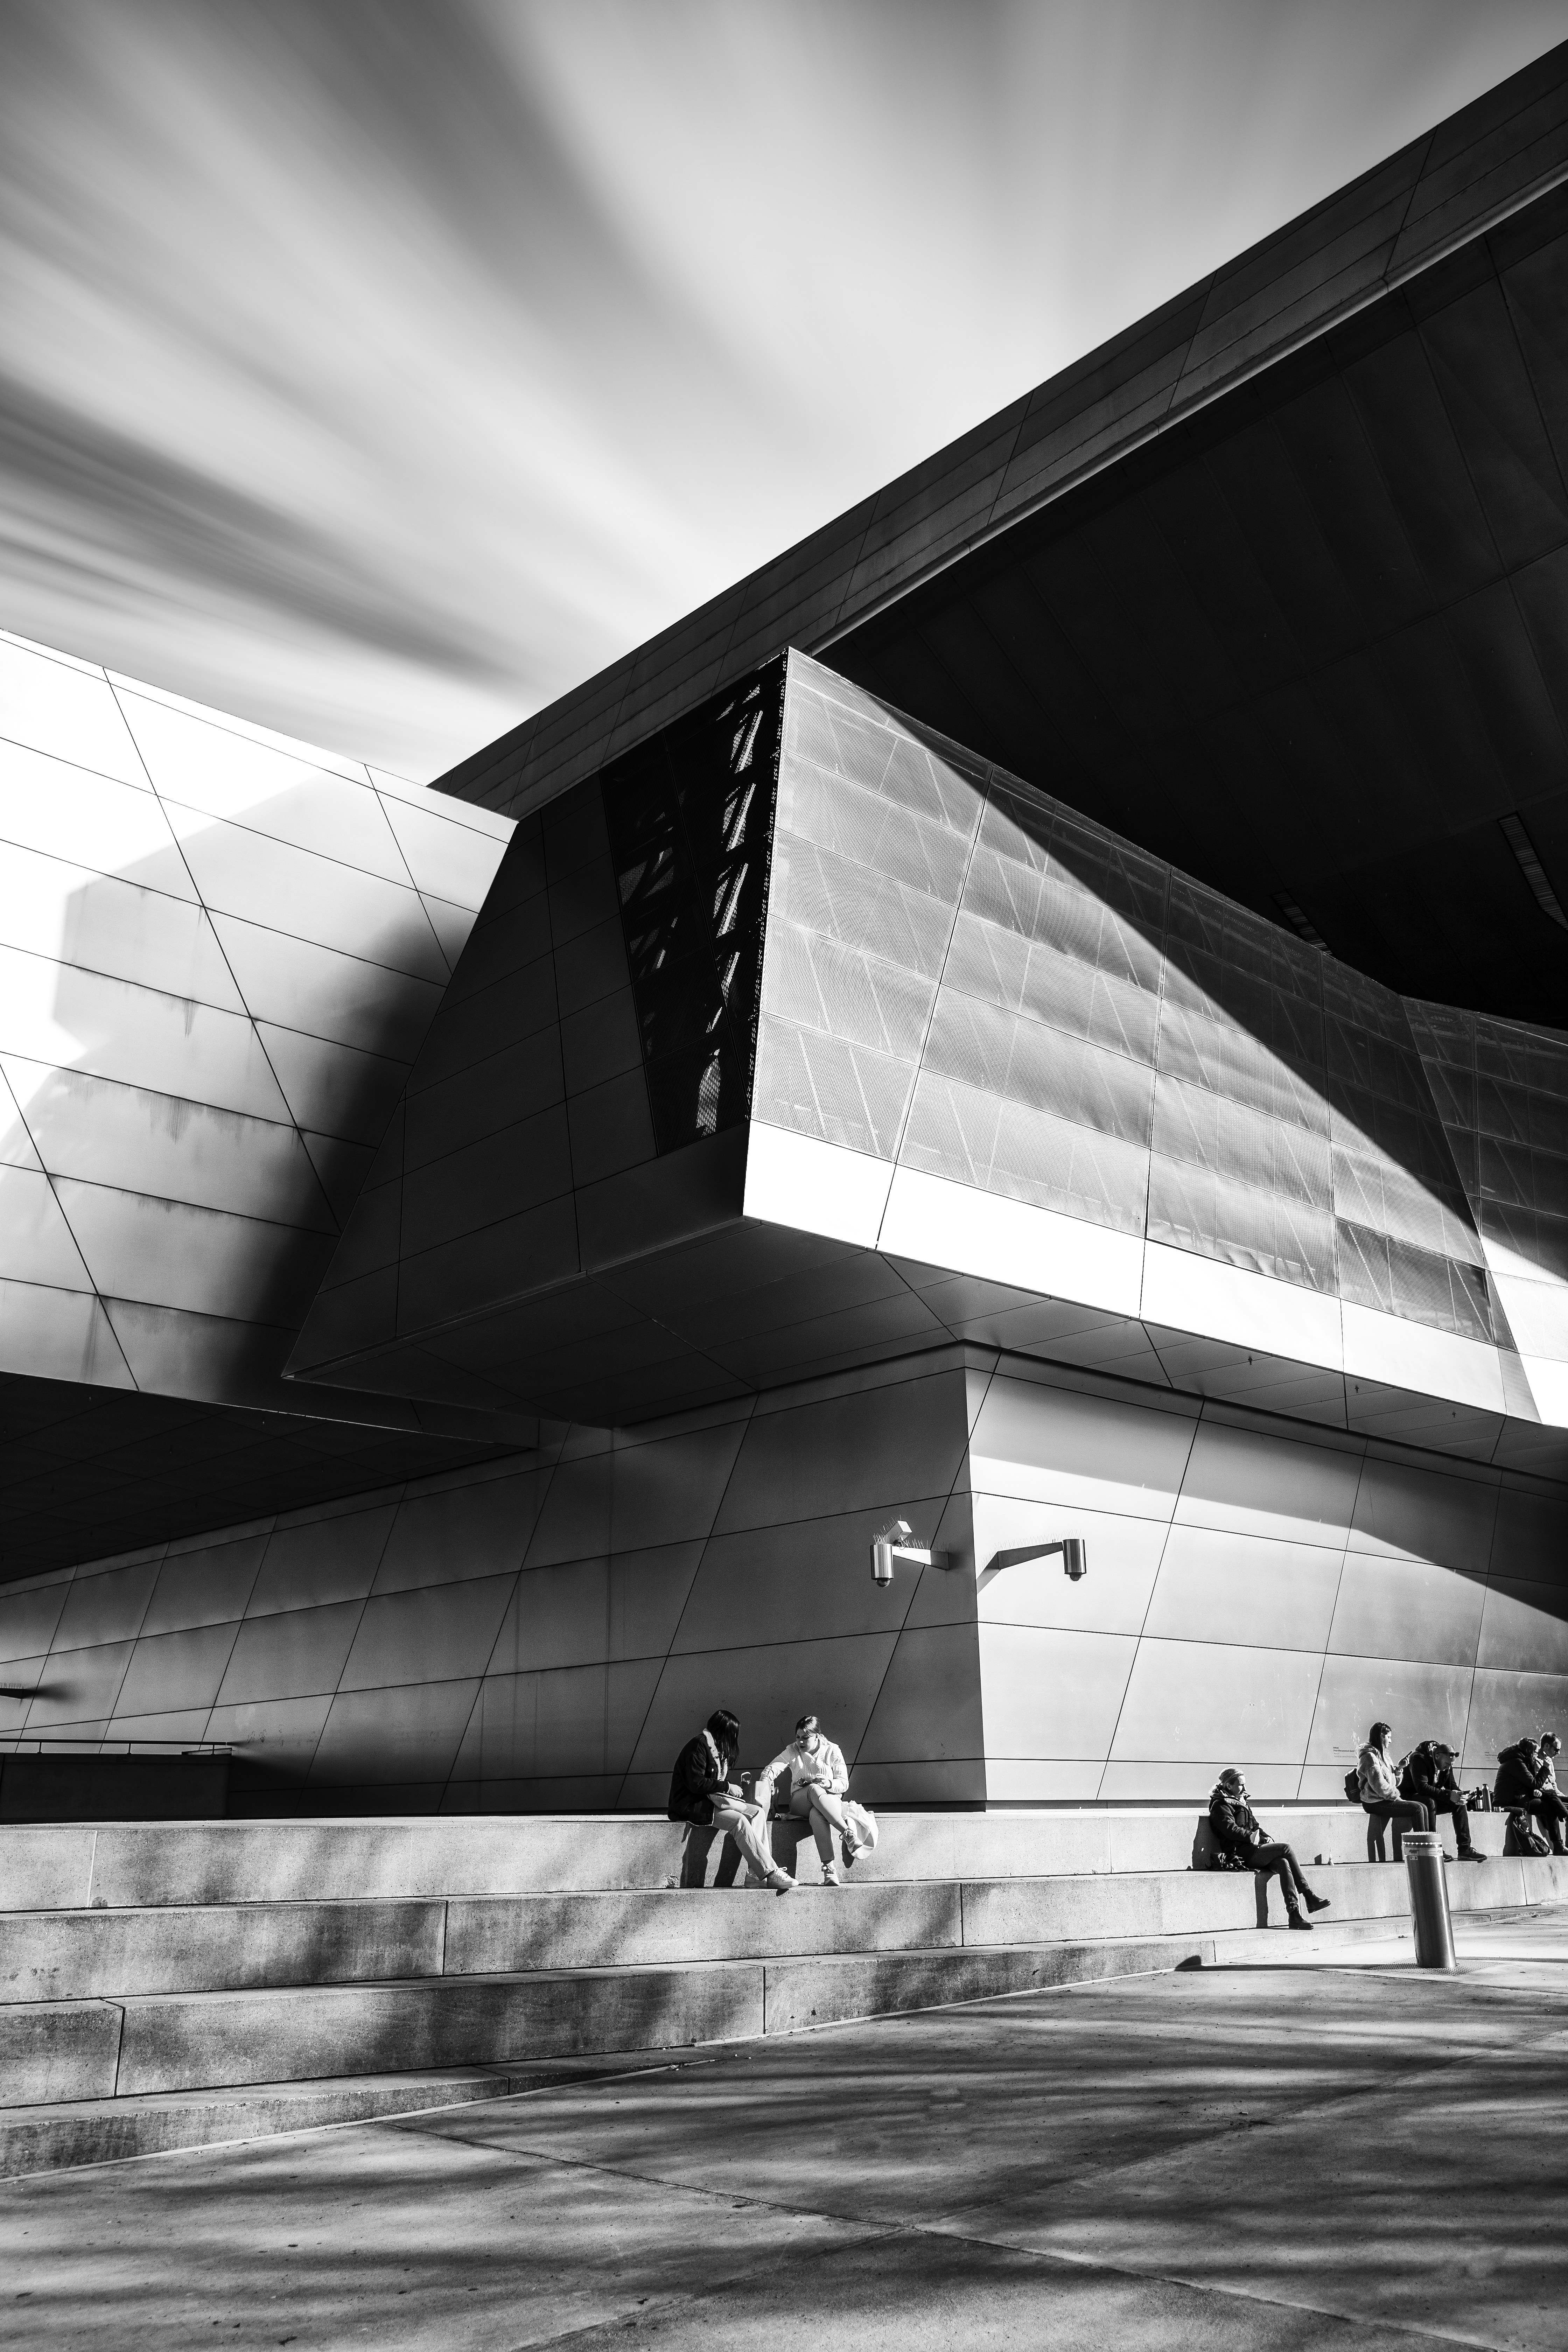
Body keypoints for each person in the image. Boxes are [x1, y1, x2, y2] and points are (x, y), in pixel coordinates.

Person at [667, 1710, 795, 1894]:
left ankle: (754, 1875)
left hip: (710, 1802)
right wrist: (728, 1787)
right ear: (723, 1731)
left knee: (758, 1812)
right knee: (739, 1821)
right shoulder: (699, 1745)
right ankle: (769, 1872)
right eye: (734, 1733)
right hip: (691, 1805)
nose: (735, 1737)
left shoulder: (718, 1750)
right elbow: (696, 1784)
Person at [1207, 1769, 1330, 1929]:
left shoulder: (1241, 1801)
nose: (1244, 1789)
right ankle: (1309, 1895)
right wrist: (1253, 1837)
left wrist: (1265, 1837)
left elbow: (1255, 1826)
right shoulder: (1221, 1805)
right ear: (1229, 1785)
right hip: (1239, 1854)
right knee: (1285, 1848)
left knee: (1283, 1863)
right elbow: (1230, 1830)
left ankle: (1294, 1915)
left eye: (1245, 1785)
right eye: (1241, 1785)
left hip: (1253, 1850)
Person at [755, 1714, 860, 1884]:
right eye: (798, 1737)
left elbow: (844, 1784)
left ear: (817, 1736)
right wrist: (766, 1781)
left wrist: (827, 1782)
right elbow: (772, 1768)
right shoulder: (792, 1750)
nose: (800, 1742)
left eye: (805, 1738)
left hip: (829, 1801)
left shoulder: (832, 1750)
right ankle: (847, 1833)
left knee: (817, 1814)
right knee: (812, 1789)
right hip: (800, 1802)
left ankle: (829, 1870)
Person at [1400, 1738, 1484, 1863]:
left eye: (1451, 1765)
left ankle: (1465, 1850)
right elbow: (1422, 1788)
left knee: (1458, 1804)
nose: (1449, 1767)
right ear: (1437, 1756)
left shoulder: (1446, 1763)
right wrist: (1449, 1795)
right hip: (1409, 1796)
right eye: (1447, 1764)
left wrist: (1462, 1796)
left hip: (1430, 1797)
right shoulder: (1419, 1758)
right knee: (1430, 1802)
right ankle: (1435, 1848)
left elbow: (1452, 1786)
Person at [1358, 1721, 1430, 1861]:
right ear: (1381, 1737)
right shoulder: (1370, 1758)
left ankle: (1427, 1846)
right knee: (1417, 1809)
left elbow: (1394, 1783)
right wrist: (1397, 1797)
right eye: (1389, 1737)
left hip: (1384, 1799)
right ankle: (1423, 1853)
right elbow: (1380, 1788)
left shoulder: (1384, 1756)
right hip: (1374, 1802)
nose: (1391, 1741)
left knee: (1423, 1807)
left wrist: (1399, 1769)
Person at [1494, 1735, 1568, 1855]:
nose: (1537, 1755)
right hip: (1511, 1801)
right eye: (1536, 1752)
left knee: (1551, 1799)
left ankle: (1559, 1845)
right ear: (1529, 1751)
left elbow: (1530, 1784)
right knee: (1550, 1806)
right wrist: (1545, 1768)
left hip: (1521, 1797)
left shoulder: (1523, 1761)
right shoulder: (1516, 1763)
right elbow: (1535, 1783)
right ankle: (1559, 1843)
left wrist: (1536, 1791)